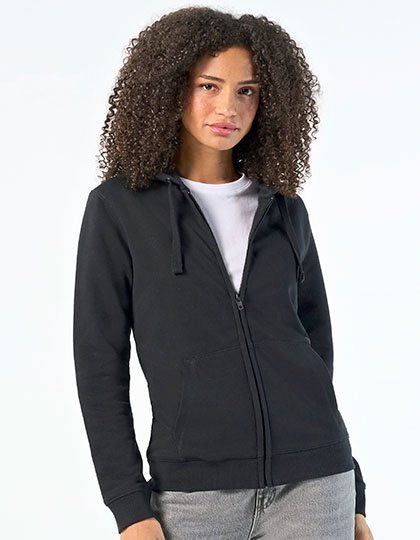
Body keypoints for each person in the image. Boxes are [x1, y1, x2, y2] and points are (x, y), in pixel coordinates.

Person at [73, 7, 374, 540]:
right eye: (208, 86)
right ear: (170, 89)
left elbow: (314, 355)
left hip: (316, 485)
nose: (227, 108)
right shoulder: (119, 209)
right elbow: (99, 365)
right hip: (194, 496)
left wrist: (354, 492)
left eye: (246, 91)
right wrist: (128, 505)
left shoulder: (284, 209)